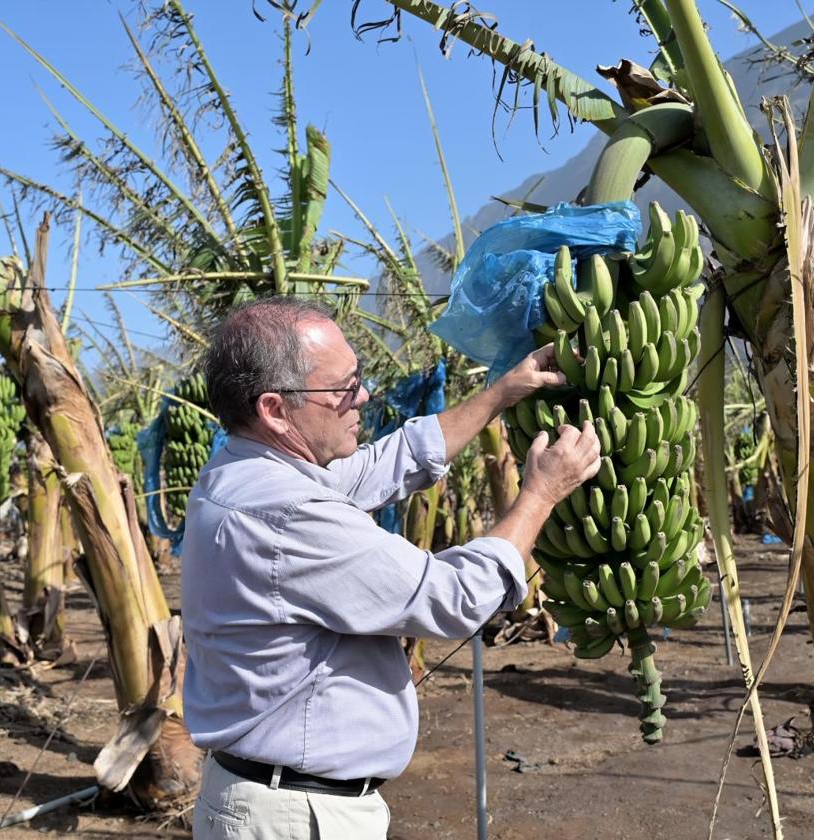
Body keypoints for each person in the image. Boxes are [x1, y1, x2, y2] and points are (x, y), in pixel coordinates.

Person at [183, 298, 600, 839]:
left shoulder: (246, 470)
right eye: (343, 387)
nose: (363, 395)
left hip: (276, 798)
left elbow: (381, 466)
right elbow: (453, 597)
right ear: (275, 409)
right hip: (294, 816)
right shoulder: (285, 514)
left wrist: (502, 393)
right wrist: (542, 492)